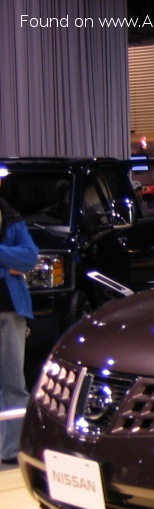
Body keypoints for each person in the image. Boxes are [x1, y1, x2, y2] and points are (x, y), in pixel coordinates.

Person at [0, 185, 39, 466]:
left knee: (15, 384)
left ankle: (12, 449)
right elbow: (18, 260)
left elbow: (29, 258)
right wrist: (7, 266)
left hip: (12, 311)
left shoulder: (12, 218)